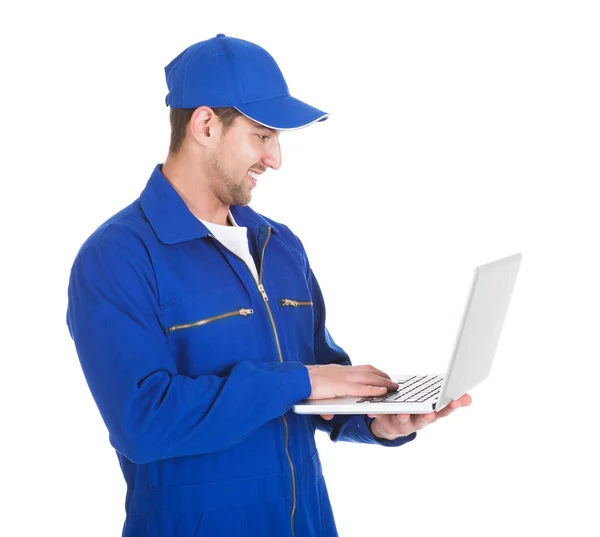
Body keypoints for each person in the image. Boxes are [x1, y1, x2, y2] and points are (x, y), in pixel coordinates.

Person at [66, 33, 472, 537]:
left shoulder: (280, 246)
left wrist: (374, 421)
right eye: (262, 136)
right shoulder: (117, 257)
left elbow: (322, 379)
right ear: (206, 124)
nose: (275, 159)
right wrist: (298, 381)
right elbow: (143, 424)